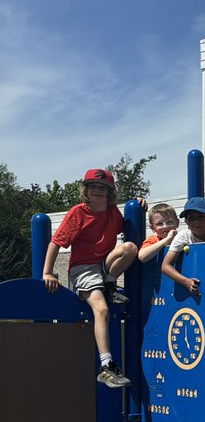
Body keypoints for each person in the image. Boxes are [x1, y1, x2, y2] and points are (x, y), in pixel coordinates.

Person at [42, 167, 138, 389]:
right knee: (102, 309)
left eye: (103, 188)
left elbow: (130, 229)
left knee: (130, 248)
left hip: (103, 266)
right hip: (82, 270)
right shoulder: (78, 213)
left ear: (110, 193)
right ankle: (106, 366)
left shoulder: (113, 213)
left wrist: (139, 203)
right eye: (93, 187)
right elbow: (56, 242)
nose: (97, 191)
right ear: (85, 191)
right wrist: (47, 272)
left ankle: (110, 285)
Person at [161, 196, 205, 295]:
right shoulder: (185, 235)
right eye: (191, 218)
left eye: (201, 217)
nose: (196, 222)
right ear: (186, 222)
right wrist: (186, 281)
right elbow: (165, 266)